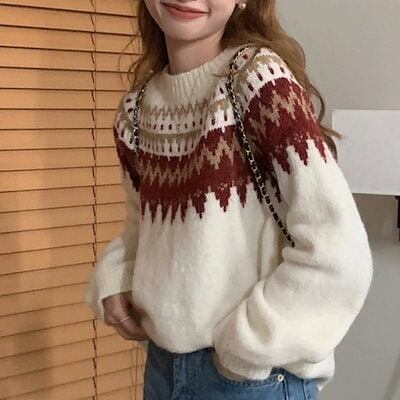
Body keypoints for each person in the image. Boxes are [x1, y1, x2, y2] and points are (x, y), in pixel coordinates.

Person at [85, 1, 374, 399]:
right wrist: (117, 276)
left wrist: (246, 348)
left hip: (250, 378)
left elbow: (338, 249)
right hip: (164, 368)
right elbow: (143, 227)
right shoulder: (135, 112)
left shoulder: (259, 81)